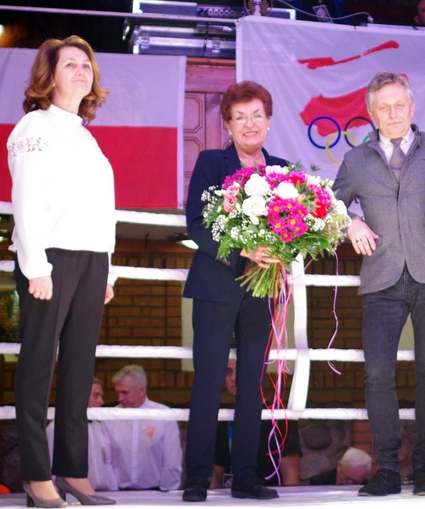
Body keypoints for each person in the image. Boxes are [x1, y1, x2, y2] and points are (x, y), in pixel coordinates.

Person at [332, 71, 425, 497]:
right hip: (381, 277)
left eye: (399, 104)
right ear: (371, 113)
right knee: (377, 375)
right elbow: (329, 205)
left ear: (412, 107)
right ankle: (386, 469)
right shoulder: (355, 160)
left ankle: (424, 468)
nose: (392, 113)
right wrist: (350, 222)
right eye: (383, 107)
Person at [7, 35, 117, 507]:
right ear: (48, 76)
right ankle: (36, 476)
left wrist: (107, 270)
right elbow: (27, 199)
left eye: (86, 64)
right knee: (38, 367)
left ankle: (72, 470)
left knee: (79, 368)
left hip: (91, 260)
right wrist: (36, 265)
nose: (81, 70)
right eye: (69, 64)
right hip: (50, 258)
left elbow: (101, 209)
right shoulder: (34, 125)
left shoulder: (85, 136)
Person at [182, 80, 288, 503]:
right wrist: (243, 250)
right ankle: (197, 478)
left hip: (262, 290)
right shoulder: (211, 162)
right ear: (227, 124)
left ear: (269, 120)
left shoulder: (282, 170)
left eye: (257, 115)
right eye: (239, 117)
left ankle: (246, 475)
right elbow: (196, 224)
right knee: (209, 381)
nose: (249, 124)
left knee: (252, 384)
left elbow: (293, 230)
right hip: (215, 285)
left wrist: (280, 250)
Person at [211, 359, 301, 488]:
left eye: (240, 370)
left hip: (270, 498)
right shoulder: (224, 417)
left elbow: (291, 478)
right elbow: (217, 478)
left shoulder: (279, 416)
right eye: (228, 371)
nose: (234, 377)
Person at [104, 365, 182, 492]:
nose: (119, 398)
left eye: (125, 393)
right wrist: (113, 491)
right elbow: (106, 461)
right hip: (118, 493)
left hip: (157, 493)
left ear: (141, 390)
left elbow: (171, 460)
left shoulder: (164, 415)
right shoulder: (110, 417)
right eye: (118, 392)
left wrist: (167, 492)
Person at [47, 378, 117, 492]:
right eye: (96, 395)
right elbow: (51, 468)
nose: (101, 402)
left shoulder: (98, 426)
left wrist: (114, 490)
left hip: (103, 492)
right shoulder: (56, 428)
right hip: (72, 494)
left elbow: (107, 462)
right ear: (80, 397)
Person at [309, 447, 373, 486]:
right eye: (346, 478)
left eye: (355, 482)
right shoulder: (319, 483)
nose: (349, 484)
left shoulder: (369, 488)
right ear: (339, 466)